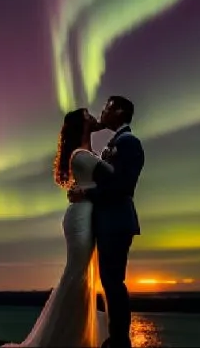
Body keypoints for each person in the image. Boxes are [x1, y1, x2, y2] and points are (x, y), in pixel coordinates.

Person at [0, 107, 113, 347]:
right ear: (82, 124)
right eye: (89, 116)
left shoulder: (88, 152)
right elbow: (111, 177)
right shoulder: (81, 155)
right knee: (77, 273)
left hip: (87, 214)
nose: (94, 117)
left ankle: (75, 332)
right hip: (81, 217)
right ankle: (64, 336)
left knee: (81, 274)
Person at [68, 96, 145, 348]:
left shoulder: (129, 143)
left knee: (113, 281)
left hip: (117, 221)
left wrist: (86, 193)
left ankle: (120, 340)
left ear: (120, 112)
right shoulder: (115, 143)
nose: (103, 112)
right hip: (108, 221)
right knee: (109, 281)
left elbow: (123, 186)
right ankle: (117, 338)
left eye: (107, 108)